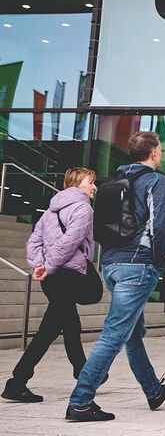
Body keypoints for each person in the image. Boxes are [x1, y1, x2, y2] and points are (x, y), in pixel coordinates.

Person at [66, 132, 165, 422]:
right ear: (153, 153)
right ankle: (80, 401)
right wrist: (158, 263)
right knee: (115, 333)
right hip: (137, 265)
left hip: (112, 264)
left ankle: (153, 390)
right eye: (160, 150)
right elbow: (159, 226)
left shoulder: (114, 180)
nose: (161, 154)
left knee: (131, 333)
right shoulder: (156, 182)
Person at [3, 168, 99, 403]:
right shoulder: (83, 208)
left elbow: (34, 242)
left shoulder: (50, 210)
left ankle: (82, 372)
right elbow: (69, 242)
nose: (94, 187)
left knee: (68, 322)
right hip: (68, 276)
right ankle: (17, 382)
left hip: (52, 279)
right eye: (90, 182)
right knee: (50, 329)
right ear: (77, 183)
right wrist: (48, 266)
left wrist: (40, 265)